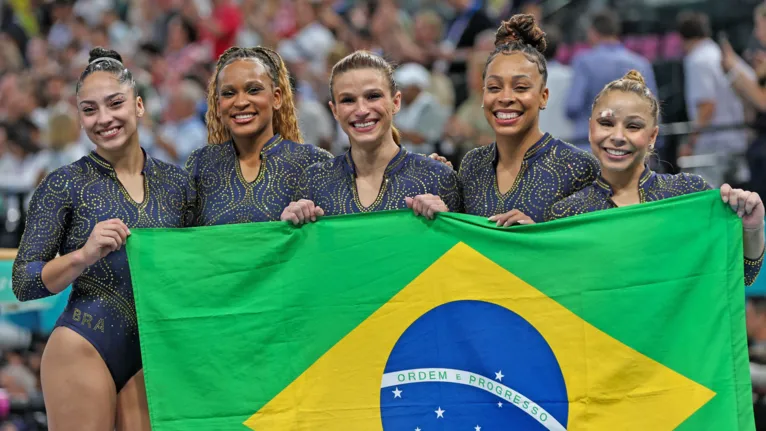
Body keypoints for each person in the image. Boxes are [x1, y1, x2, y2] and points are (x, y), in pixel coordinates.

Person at [11, 47, 192, 430]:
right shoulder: (63, 184)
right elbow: (24, 281)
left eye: (115, 104)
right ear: (79, 118)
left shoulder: (178, 183)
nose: (104, 118)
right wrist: (83, 255)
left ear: (139, 105)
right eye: (90, 110)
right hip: (84, 343)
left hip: (154, 353)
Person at [547, 70, 763, 286]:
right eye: (606, 123)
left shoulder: (689, 194)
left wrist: (752, 228)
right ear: (590, 128)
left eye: (633, 126)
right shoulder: (566, 213)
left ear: (652, 136)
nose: (618, 137)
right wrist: (528, 241)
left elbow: (744, 274)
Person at [280, 50, 461, 225]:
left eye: (373, 96)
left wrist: (445, 222)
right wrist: (289, 228)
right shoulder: (314, 181)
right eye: (348, 100)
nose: (361, 110)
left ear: (396, 102)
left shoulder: (437, 177)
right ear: (334, 111)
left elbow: (466, 251)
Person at [458, 14, 600, 226]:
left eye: (521, 87)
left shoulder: (578, 167)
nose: (505, 98)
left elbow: (595, 247)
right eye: (494, 87)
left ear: (543, 97)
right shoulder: (472, 164)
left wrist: (536, 237)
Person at [185, 46, 333, 225]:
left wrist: (301, 226)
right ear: (218, 106)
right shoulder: (200, 165)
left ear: (276, 98)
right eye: (229, 93)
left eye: (253, 90)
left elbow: (338, 243)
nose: (240, 102)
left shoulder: (315, 163)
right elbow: (180, 241)